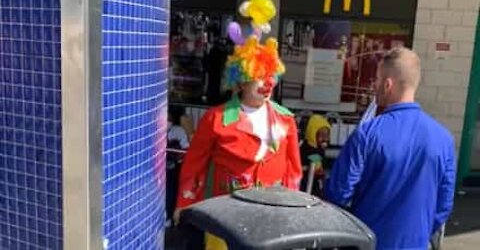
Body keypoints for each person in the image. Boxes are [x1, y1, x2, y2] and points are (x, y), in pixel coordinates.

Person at [174, 34, 302, 249]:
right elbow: (195, 165)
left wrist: (293, 210)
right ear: (242, 80)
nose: (269, 83)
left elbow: (293, 171)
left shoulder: (286, 120)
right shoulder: (216, 118)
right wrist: (185, 203)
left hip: (271, 217)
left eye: (271, 75)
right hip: (226, 217)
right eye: (261, 75)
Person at [325, 48, 456, 250]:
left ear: (388, 85)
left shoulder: (367, 134)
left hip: (369, 242)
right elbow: (443, 205)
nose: (374, 85)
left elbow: (338, 194)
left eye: (377, 80)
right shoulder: (444, 139)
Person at [300, 114, 331, 197]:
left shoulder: (317, 148)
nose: (325, 139)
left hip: (313, 183)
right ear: (313, 134)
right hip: (307, 186)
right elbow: (317, 166)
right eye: (322, 135)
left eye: (327, 135)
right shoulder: (310, 150)